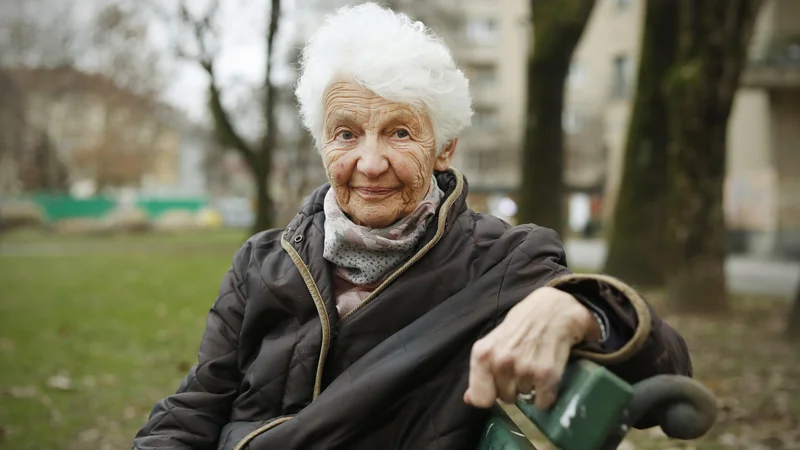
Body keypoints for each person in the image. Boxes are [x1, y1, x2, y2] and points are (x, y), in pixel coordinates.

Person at [133, 4, 691, 449]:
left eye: (399, 132)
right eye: (346, 133)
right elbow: (195, 407)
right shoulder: (262, 262)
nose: (369, 163)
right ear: (322, 143)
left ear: (444, 146)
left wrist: (578, 309)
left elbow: (666, 368)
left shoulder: (501, 262)